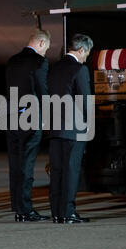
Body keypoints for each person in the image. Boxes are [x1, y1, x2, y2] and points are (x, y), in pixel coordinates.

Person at [47, 34, 93, 224]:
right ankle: (68, 213)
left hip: (54, 128)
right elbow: (85, 101)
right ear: (81, 50)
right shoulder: (80, 69)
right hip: (74, 129)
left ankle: (57, 212)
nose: (86, 57)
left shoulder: (52, 68)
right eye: (87, 53)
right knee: (71, 170)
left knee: (57, 170)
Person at [5, 29, 51, 222]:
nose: (46, 52)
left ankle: (16, 203)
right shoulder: (39, 62)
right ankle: (24, 210)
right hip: (30, 117)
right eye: (46, 48)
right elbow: (43, 91)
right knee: (27, 164)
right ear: (41, 43)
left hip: (11, 116)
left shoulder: (12, 60)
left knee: (15, 163)